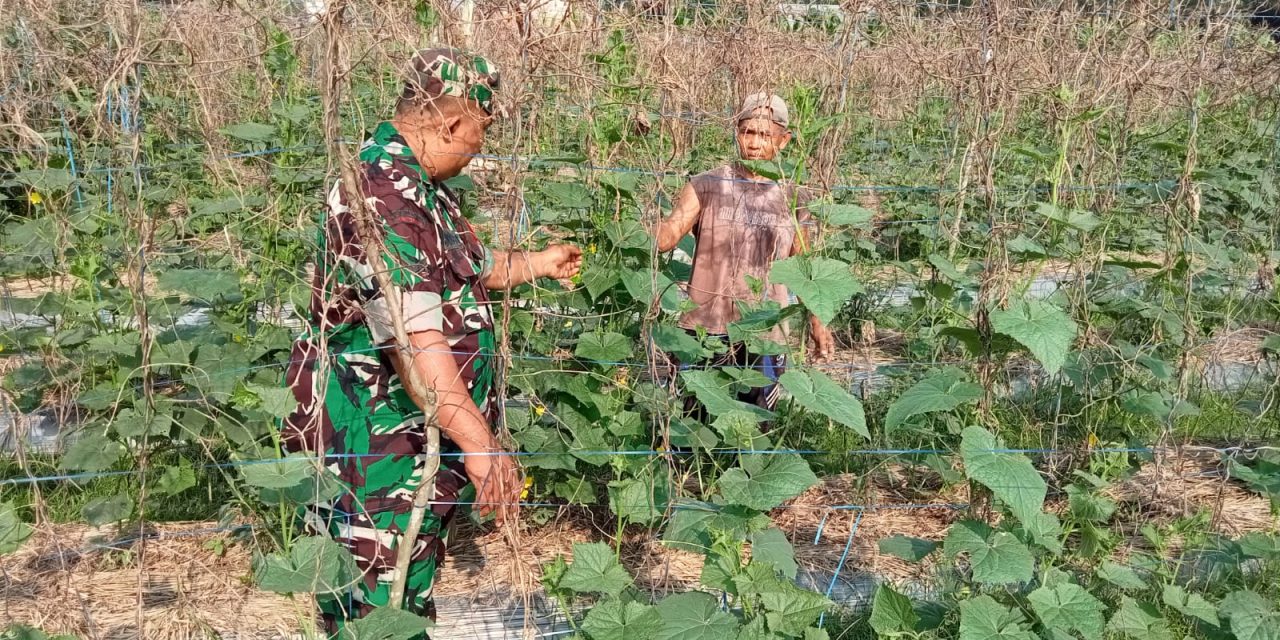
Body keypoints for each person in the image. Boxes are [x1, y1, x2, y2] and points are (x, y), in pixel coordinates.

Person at [279, 48, 581, 637]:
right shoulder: (383, 194)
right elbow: (415, 346)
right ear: (450, 123)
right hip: (379, 450)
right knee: (377, 609)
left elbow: (466, 269)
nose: (479, 147)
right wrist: (482, 446)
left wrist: (539, 262)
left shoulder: (418, 186)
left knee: (404, 596)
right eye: (480, 132)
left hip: (413, 443)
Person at [653, 92, 834, 413]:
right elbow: (667, 238)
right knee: (693, 426)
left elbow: (802, 267)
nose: (754, 143)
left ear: (784, 140)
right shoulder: (706, 185)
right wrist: (634, 215)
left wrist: (818, 320)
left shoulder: (794, 196)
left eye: (765, 135)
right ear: (737, 132)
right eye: (747, 132)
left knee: (755, 427)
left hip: (764, 332)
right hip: (703, 329)